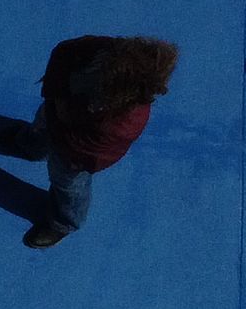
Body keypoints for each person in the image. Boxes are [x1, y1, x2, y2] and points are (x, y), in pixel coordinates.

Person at [25, 33, 177, 250]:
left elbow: (87, 152)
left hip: (72, 155)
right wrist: (55, 95)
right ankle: (33, 146)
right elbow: (64, 52)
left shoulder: (124, 124)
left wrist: (61, 113)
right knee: (40, 125)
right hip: (57, 110)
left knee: (70, 187)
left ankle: (64, 222)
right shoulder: (105, 50)